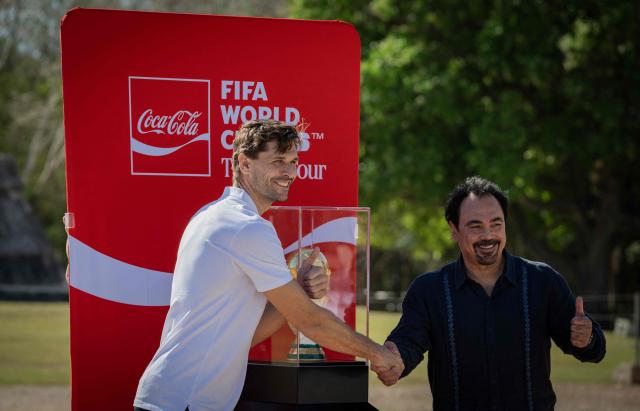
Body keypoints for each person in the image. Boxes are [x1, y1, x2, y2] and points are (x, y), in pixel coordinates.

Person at [134, 119, 402, 411]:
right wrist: (377, 354)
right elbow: (308, 319)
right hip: (183, 402)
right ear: (244, 164)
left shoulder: (211, 214)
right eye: (277, 161)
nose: (289, 172)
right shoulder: (246, 227)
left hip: (172, 398)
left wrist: (297, 290)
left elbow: (246, 334)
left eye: (293, 161)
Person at [373, 176, 606, 411]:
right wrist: (396, 357)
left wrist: (587, 338)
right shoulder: (428, 291)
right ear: (453, 230)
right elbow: (408, 342)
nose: (488, 235)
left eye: (496, 224)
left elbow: (593, 351)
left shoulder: (543, 281)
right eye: (476, 226)